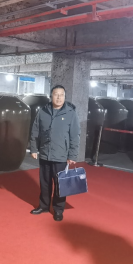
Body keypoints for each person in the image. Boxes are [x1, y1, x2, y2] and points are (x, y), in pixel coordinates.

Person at [29, 85, 80, 222]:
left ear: (65, 96)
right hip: (45, 153)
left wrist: (72, 155)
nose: (59, 97)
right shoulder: (43, 111)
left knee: (60, 184)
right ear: (51, 96)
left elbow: (75, 136)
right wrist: (33, 148)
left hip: (61, 155)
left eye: (61, 95)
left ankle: (58, 209)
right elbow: (35, 131)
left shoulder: (71, 113)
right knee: (44, 183)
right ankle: (43, 206)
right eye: (56, 94)